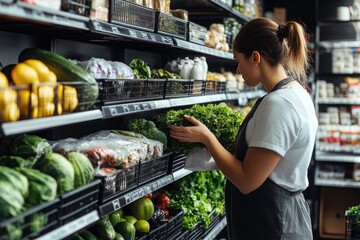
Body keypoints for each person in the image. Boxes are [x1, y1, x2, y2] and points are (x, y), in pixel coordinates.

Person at [169, 17, 318, 240]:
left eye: (238, 61)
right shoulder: (294, 93)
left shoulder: (280, 104)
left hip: (274, 226)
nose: (238, 69)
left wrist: (207, 137)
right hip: (278, 219)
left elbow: (247, 181)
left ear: (255, 57)